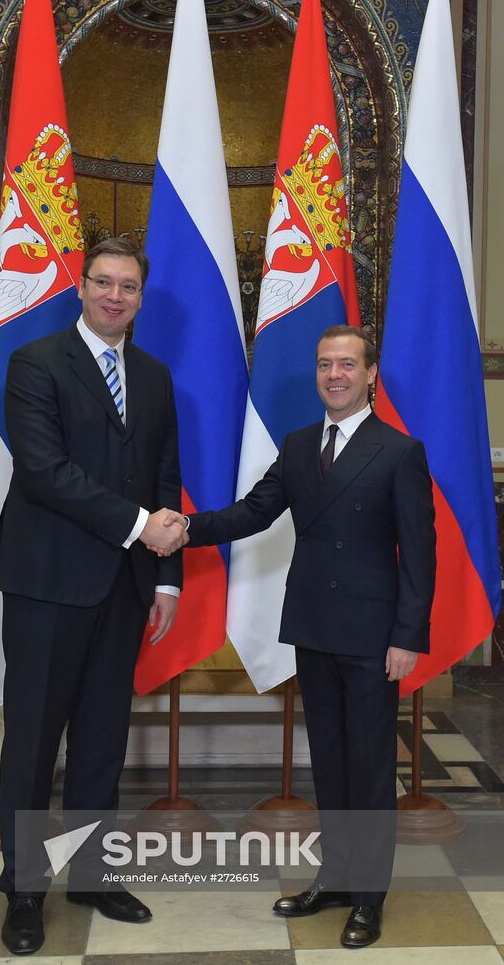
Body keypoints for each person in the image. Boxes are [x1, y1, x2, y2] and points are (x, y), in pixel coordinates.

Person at [157, 325, 436, 949]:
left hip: (372, 636)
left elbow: (420, 555)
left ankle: (369, 897)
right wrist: (185, 529)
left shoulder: (399, 452)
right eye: (324, 365)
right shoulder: (301, 444)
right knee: (330, 763)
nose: (334, 375)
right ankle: (335, 878)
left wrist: (408, 636)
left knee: (369, 768)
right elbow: (253, 512)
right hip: (313, 625)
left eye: (347, 364)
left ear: (370, 375)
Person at [0, 237, 187, 955]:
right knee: (34, 742)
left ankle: (93, 875)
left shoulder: (155, 376)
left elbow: (164, 472)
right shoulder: (34, 363)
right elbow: (45, 471)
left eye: (128, 287)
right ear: (80, 286)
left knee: (103, 740)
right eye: (103, 282)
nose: (114, 296)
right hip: (47, 584)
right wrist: (140, 527)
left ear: (141, 297)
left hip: (125, 587)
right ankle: (24, 889)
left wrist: (166, 575)